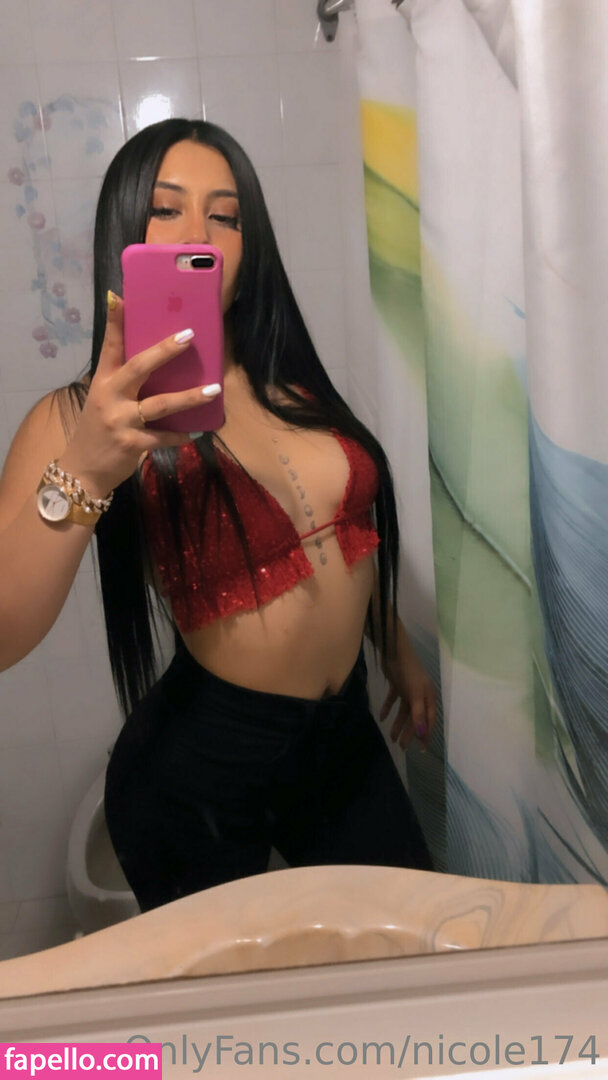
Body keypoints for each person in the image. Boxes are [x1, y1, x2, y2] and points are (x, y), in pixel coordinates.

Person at [0, 119, 436, 912]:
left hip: (341, 738)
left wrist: (398, 651)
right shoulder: (85, 417)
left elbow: (346, 540)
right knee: (237, 991)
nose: (199, 235)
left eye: (225, 215)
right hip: (198, 770)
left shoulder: (293, 383)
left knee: (412, 934)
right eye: (167, 209)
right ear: (125, 234)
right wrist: (87, 468)